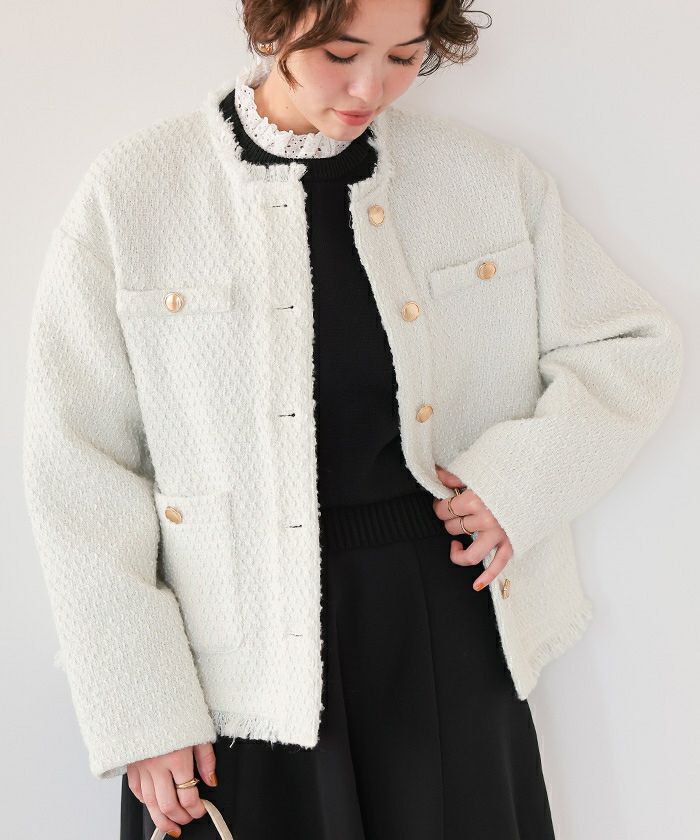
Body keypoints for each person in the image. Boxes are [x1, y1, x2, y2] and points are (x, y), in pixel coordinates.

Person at [22, 1, 684, 838]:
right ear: (276, 22)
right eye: (342, 53)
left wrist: (519, 482)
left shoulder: (481, 178)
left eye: (405, 57)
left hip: (439, 628)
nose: (370, 88)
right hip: (231, 663)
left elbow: (632, 346)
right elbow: (78, 468)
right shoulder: (136, 192)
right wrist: (141, 710)